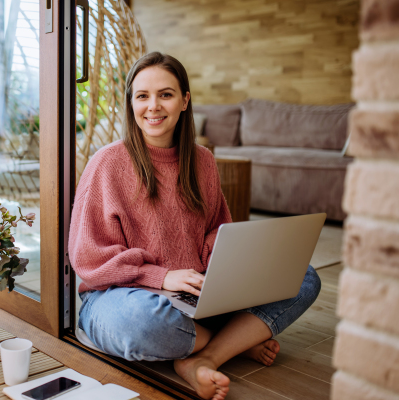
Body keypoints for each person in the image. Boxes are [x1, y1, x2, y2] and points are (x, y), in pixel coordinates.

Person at [68, 52, 321, 400]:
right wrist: (160, 277)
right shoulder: (107, 163)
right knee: (143, 323)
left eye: (166, 94)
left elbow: (217, 231)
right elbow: (89, 261)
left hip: (195, 296)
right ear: (131, 102)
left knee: (303, 276)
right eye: (142, 96)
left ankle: (204, 356)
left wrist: (231, 268)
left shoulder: (203, 161)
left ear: (185, 100)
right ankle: (235, 341)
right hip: (121, 298)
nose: (153, 106)